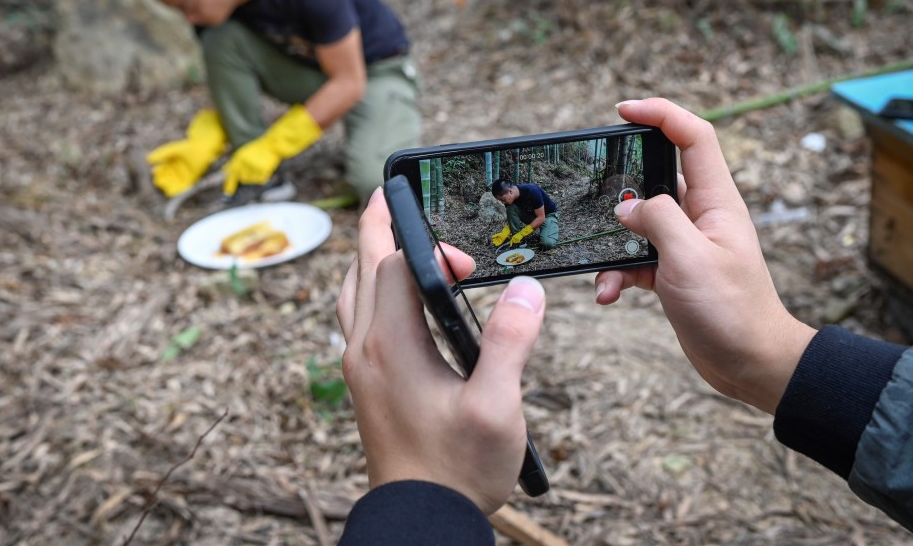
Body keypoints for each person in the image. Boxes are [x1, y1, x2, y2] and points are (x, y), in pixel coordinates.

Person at [335, 97, 913, 542]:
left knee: (543, 243)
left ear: (515, 186)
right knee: (515, 243)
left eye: (508, 193)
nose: (507, 196)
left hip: (552, 220)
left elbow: (538, 219)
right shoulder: (503, 200)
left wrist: (422, 498)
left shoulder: (531, 193)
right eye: (504, 196)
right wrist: (768, 357)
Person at [139, 0, 421, 202]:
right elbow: (227, 76)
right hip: (313, 72)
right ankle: (256, 175)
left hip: (374, 73)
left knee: (380, 185)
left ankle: (269, 156)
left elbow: (349, 83)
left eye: (187, 6)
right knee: (220, 39)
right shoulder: (214, 12)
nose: (188, 19)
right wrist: (203, 140)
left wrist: (274, 146)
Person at [490, 179, 559, 250]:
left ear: (510, 191)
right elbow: (512, 217)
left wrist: (522, 234)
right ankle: (517, 241)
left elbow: (541, 218)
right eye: (500, 200)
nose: (502, 202)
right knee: (510, 208)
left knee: (548, 243)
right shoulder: (509, 201)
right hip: (530, 215)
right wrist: (505, 232)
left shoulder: (532, 191)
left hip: (547, 215)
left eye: (503, 199)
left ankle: (551, 228)